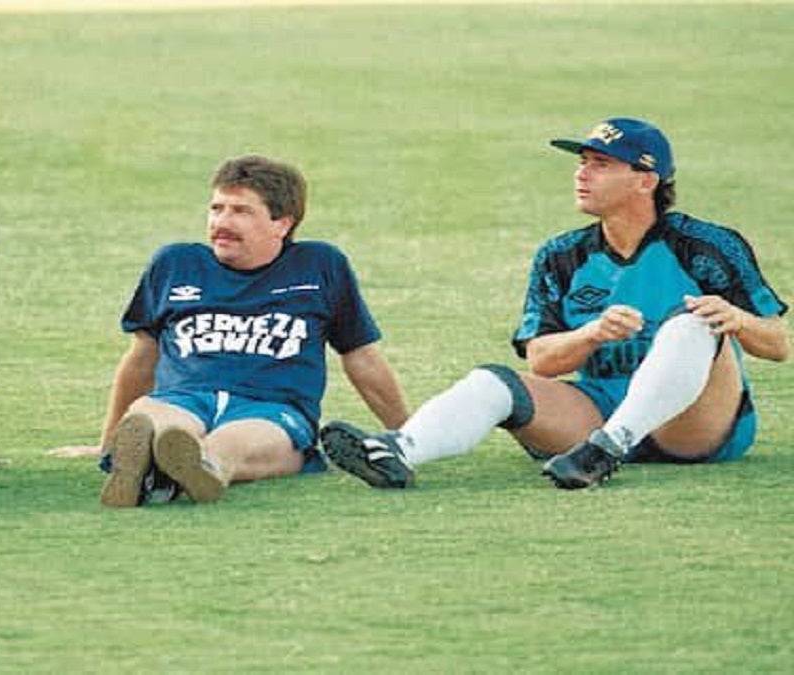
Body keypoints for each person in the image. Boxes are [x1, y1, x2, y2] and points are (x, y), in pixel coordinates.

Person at [321, 118, 789, 490]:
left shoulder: (706, 245)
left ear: (645, 180)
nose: (581, 174)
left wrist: (737, 320)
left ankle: (610, 446)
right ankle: (399, 451)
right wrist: (592, 333)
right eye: (582, 162)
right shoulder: (561, 255)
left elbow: (778, 344)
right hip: (597, 409)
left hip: (696, 428)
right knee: (493, 382)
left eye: (601, 164)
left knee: (693, 322)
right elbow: (542, 361)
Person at [50, 155, 410, 506]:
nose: (222, 221)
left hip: (272, 409)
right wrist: (109, 439)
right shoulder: (175, 263)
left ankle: (189, 469)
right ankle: (152, 462)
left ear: (282, 223)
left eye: (241, 211)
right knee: (155, 420)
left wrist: (410, 436)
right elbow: (143, 356)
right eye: (217, 208)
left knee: (232, 444)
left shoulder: (319, 266)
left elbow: (360, 356)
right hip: (183, 398)